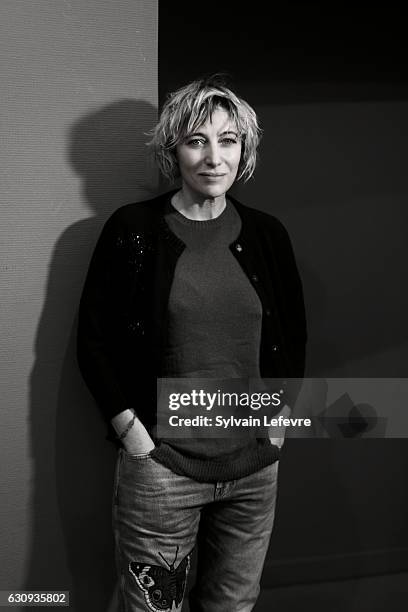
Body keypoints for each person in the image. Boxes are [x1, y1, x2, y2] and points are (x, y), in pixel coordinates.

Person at [77, 75, 307, 612]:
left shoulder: (268, 235)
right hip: (162, 472)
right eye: (196, 140)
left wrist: (278, 429)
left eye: (227, 140)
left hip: (253, 470)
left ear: (243, 150)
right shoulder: (133, 229)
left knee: (233, 607)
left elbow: (291, 338)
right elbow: (93, 341)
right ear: (172, 149)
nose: (212, 157)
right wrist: (135, 436)